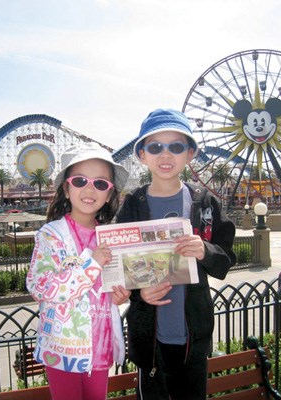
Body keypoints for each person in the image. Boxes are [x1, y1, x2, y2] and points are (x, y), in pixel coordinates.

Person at [116, 108, 237, 400]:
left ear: (190, 153)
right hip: (150, 340)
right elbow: (117, 267)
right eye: (155, 147)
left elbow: (225, 260)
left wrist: (204, 250)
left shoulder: (203, 202)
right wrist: (139, 294)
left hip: (193, 338)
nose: (165, 155)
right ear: (142, 155)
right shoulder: (133, 205)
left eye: (176, 147)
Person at [26, 142, 131, 400]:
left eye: (100, 184)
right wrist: (91, 264)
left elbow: (108, 289)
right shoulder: (51, 235)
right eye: (81, 180)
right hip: (63, 349)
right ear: (67, 187)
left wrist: (121, 297)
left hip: (100, 345)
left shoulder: (109, 237)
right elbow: (40, 287)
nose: (89, 189)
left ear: (109, 193)